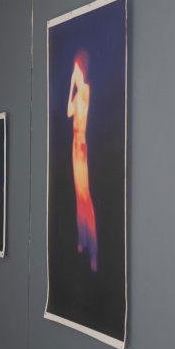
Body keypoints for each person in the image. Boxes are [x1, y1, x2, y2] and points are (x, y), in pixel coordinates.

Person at [67, 51, 98, 273]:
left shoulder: (86, 91)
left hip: (82, 145)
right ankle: (82, 240)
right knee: (79, 197)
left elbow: (80, 110)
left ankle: (93, 251)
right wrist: (70, 86)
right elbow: (69, 111)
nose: (74, 74)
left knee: (86, 197)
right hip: (74, 143)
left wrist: (77, 82)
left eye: (77, 70)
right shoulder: (77, 94)